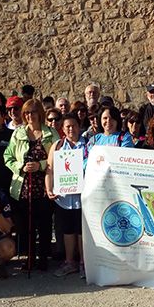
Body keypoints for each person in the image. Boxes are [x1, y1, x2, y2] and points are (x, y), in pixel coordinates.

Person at [4, 99, 58, 271]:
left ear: (40, 113)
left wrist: (40, 165)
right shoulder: (18, 133)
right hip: (23, 187)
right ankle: (29, 257)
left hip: (44, 186)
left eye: (33, 112)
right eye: (27, 112)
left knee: (44, 224)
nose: (29, 115)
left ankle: (43, 258)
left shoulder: (51, 133)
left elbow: (58, 157)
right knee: (26, 226)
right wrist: (21, 167)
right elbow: (8, 156)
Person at [45, 113, 88, 277]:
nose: (71, 129)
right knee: (68, 230)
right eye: (67, 126)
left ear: (79, 126)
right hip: (63, 198)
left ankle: (84, 263)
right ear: (62, 129)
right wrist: (49, 188)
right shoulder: (57, 146)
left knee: (82, 231)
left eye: (74, 125)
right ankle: (70, 262)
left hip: (83, 197)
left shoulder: (88, 144)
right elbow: (49, 169)